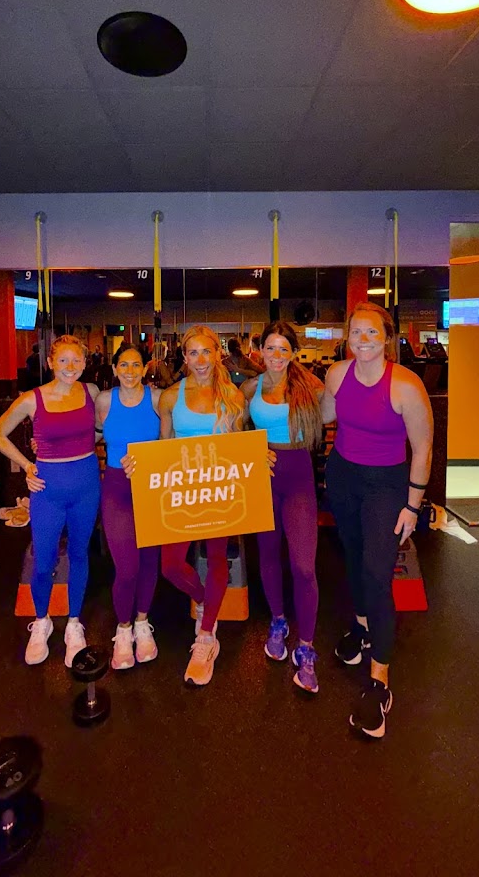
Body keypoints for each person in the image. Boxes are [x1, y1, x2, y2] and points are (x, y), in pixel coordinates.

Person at [322, 302, 433, 738]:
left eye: (372, 332)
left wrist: (413, 505)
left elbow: (422, 448)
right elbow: (321, 417)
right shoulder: (336, 375)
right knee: (352, 557)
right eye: (356, 332)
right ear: (347, 337)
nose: (363, 340)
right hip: (343, 476)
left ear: (387, 338)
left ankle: (380, 680)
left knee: (376, 571)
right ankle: (363, 626)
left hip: (386, 485)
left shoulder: (405, 385)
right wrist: (270, 387)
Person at [127, 325, 245, 686]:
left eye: (206, 351)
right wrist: (138, 464)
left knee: (217, 559)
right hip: (183, 490)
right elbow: (163, 447)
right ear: (184, 357)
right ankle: (205, 601)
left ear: (218, 353)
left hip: (219, 488)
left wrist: (260, 457)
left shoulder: (232, 396)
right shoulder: (170, 397)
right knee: (171, 566)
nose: (200, 360)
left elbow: (239, 445)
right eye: (193, 353)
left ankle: (207, 636)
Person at [0, 335, 101, 667]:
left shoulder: (92, 392)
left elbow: (100, 431)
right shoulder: (31, 399)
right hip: (47, 489)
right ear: (50, 362)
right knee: (43, 560)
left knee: (79, 554)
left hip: (86, 486)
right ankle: (42, 621)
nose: (70, 366)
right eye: (63, 360)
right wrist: (27, 465)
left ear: (85, 363)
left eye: (77, 360)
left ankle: (74, 623)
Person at [241, 322, 324, 693]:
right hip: (264, 476)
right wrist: (252, 447)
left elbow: (336, 413)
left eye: (283, 349)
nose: (276, 356)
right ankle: (277, 619)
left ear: (293, 352)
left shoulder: (311, 386)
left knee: (304, 566)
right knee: (268, 553)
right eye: (270, 348)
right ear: (260, 351)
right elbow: (233, 428)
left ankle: (306, 646)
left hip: (298, 476)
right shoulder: (250, 388)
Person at [96, 344, 162, 670]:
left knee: (150, 560)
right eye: (124, 365)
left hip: (152, 487)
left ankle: (141, 621)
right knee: (127, 567)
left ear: (145, 368)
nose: (130, 371)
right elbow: (91, 436)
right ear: (114, 368)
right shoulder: (104, 401)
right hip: (117, 488)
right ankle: (123, 629)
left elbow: (174, 441)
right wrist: (44, 442)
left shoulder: (159, 399)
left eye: (137, 365)